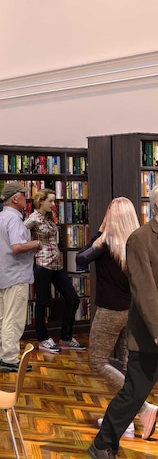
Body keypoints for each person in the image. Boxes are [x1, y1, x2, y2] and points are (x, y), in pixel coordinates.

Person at [89, 187, 158, 459]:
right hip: (148, 334)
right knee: (134, 393)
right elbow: (145, 289)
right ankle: (103, 444)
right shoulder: (140, 239)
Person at [0, 182, 40, 373]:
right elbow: (17, 247)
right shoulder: (15, 221)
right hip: (16, 274)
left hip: (1, 273)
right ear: (15, 199)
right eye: (23, 195)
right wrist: (36, 243)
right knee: (13, 318)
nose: (26, 199)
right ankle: (9, 359)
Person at [26, 188, 84, 353]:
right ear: (41, 201)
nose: (53, 204)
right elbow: (21, 236)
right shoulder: (33, 219)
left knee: (73, 299)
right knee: (42, 302)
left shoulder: (49, 218)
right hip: (42, 264)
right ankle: (43, 339)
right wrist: (34, 247)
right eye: (50, 201)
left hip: (57, 264)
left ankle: (66, 338)